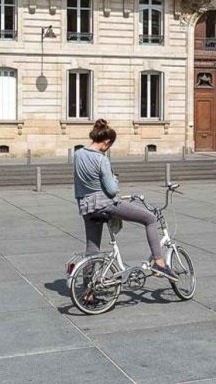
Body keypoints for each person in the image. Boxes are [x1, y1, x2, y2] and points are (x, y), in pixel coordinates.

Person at [74, 119, 178, 278]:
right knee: (149, 219)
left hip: (85, 205)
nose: (107, 149)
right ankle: (159, 262)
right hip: (105, 204)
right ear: (106, 142)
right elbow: (111, 190)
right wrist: (114, 178)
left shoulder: (78, 154)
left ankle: (89, 289)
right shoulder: (102, 160)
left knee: (92, 246)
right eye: (109, 146)